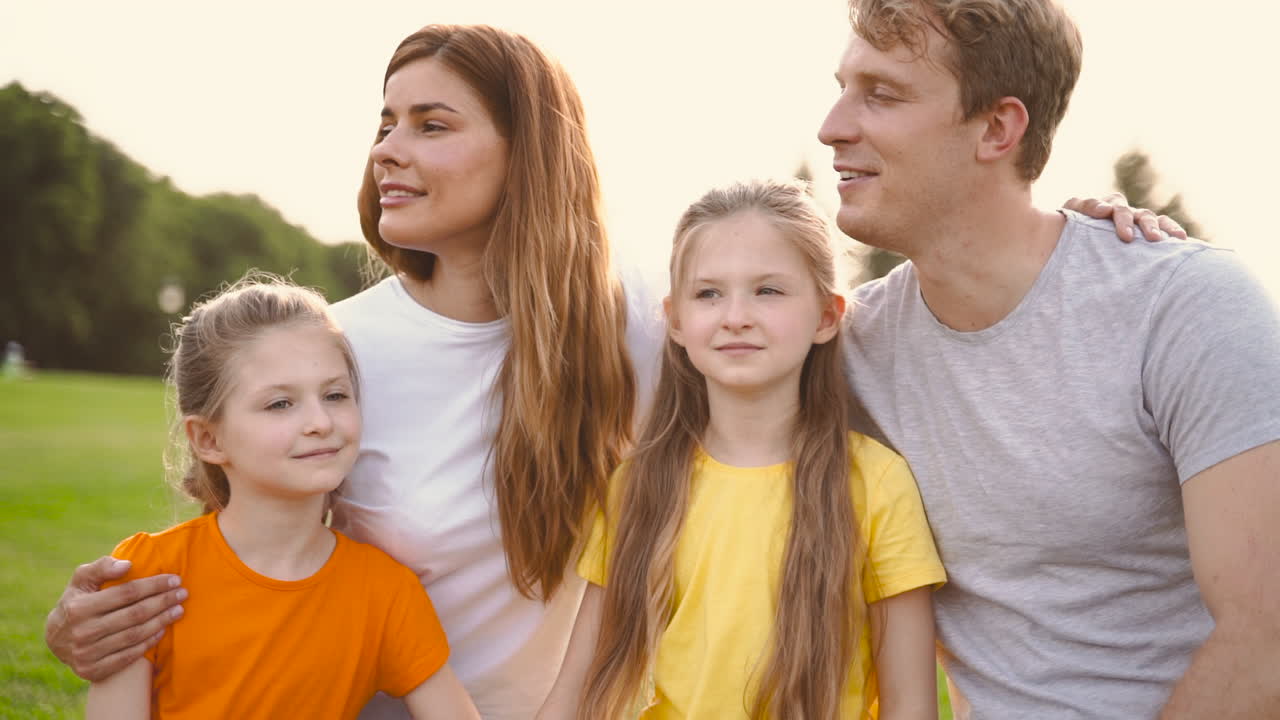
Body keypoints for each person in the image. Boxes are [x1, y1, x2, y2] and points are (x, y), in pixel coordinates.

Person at [44, 20, 1174, 720]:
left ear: (523, 149)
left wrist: (1066, 235)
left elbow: (839, 307)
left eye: (431, 123)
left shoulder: (649, 319)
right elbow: (228, 556)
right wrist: (92, 626)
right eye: (383, 121)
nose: (387, 148)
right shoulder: (338, 355)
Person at [820, 1, 1280, 718]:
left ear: (998, 128)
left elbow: (1266, 640)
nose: (832, 126)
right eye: (844, 87)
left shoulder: (1185, 307)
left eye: (881, 94)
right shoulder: (854, 349)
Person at [536, 180, 944, 720]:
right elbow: (572, 694)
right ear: (676, 320)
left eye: (768, 291)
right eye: (708, 293)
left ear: (826, 316)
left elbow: (911, 706)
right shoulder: (636, 487)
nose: (735, 316)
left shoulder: (875, 483)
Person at [83, 275, 479, 719]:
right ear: (209, 439)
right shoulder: (148, 577)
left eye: (335, 395)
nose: (320, 422)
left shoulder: (385, 594)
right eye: (280, 404)